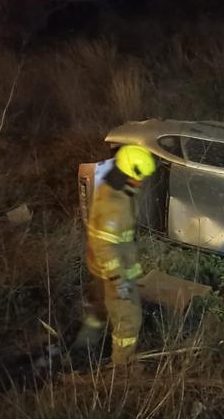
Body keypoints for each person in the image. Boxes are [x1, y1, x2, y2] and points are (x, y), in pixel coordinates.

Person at [73, 145, 156, 367]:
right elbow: (104, 246)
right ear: (129, 173)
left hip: (103, 268)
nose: (143, 181)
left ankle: (84, 346)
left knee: (100, 309)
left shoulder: (115, 187)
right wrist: (119, 279)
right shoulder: (113, 204)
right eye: (141, 176)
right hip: (113, 272)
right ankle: (121, 367)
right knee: (128, 320)